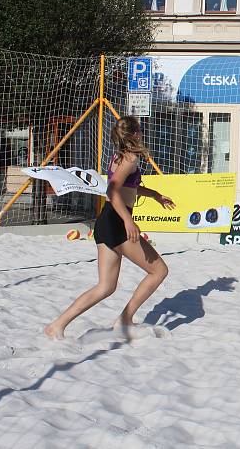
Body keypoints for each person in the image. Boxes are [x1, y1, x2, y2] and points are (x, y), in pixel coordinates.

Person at [44, 116, 175, 339]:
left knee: (105, 287)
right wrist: (128, 220)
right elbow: (112, 192)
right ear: (134, 134)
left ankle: (57, 325)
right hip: (116, 222)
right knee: (159, 271)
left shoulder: (119, 156)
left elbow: (126, 188)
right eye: (140, 131)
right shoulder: (130, 159)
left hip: (105, 221)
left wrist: (154, 195)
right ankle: (124, 320)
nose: (142, 134)